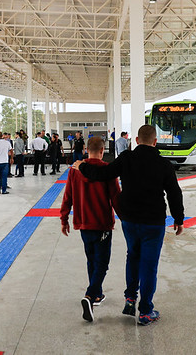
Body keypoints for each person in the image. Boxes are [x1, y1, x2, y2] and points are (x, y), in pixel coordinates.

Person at [72, 125, 184, 326]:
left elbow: (103, 174)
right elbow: (174, 194)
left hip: (130, 221)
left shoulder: (126, 158)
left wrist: (81, 166)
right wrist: (179, 218)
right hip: (153, 222)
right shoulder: (164, 164)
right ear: (155, 142)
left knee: (133, 256)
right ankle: (146, 311)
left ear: (137, 141)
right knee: (149, 266)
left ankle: (130, 298)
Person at [60, 136, 120, 323]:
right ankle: (89, 295)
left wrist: (64, 219)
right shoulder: (107, 170)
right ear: (103, 151)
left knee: (92, 259)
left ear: (86, 149)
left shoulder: (75, 170)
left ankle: (97, 295)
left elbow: (67, 195)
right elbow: (116, 198)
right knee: (102, 263)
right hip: (102, 224)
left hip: (83, 223)